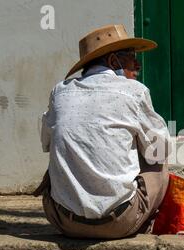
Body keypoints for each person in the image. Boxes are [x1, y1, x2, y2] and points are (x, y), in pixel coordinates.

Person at [33, 24, 171, 239]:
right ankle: (142, 222)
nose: (137, 64)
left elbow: (46, 143)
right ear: (113, 61)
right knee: (159, 162)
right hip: (118, 224)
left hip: (64, 222)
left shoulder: (60, 91)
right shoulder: (135, 91)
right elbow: (160, 150)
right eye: (131, 57)